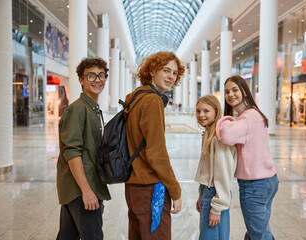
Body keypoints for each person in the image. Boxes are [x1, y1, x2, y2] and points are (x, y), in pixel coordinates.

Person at [124, 51, 184, 239]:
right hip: (150, 189)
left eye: (174, 73)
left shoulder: (135, 97)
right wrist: (175, 190)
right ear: (151, 71)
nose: (171, 77)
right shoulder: (152, 100)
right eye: (165, 70)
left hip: (133, 186)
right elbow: (157, 153)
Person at [216, 75, 279, 240]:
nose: (230, 94)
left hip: (254, 185)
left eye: (235, 90)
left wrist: (224, 120)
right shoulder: (253, 114)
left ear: (245, 90)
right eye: (227, 92)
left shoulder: (248, 116)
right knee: (258, 231)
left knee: (259, 235)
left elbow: (226, 135)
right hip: (267, 181)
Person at [56, 57, 111, 240]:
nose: (97, 80)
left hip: (78, 187)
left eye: (101, 75)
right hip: (81, 190)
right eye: (91, 76)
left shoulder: (92, 108)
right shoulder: (78, 109)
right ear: (81, 79)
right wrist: (87, 191)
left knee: (67, 236)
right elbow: (72, 152)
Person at [194, 95, 237, 240]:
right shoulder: (208, 133)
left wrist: (217, 207)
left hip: (216, 195)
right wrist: (201, 196)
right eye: (198, 111)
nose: (201, 115)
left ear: (216, 111)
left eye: (206, 111)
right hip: (208, 192)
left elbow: (224, 174)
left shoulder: (219, 138)